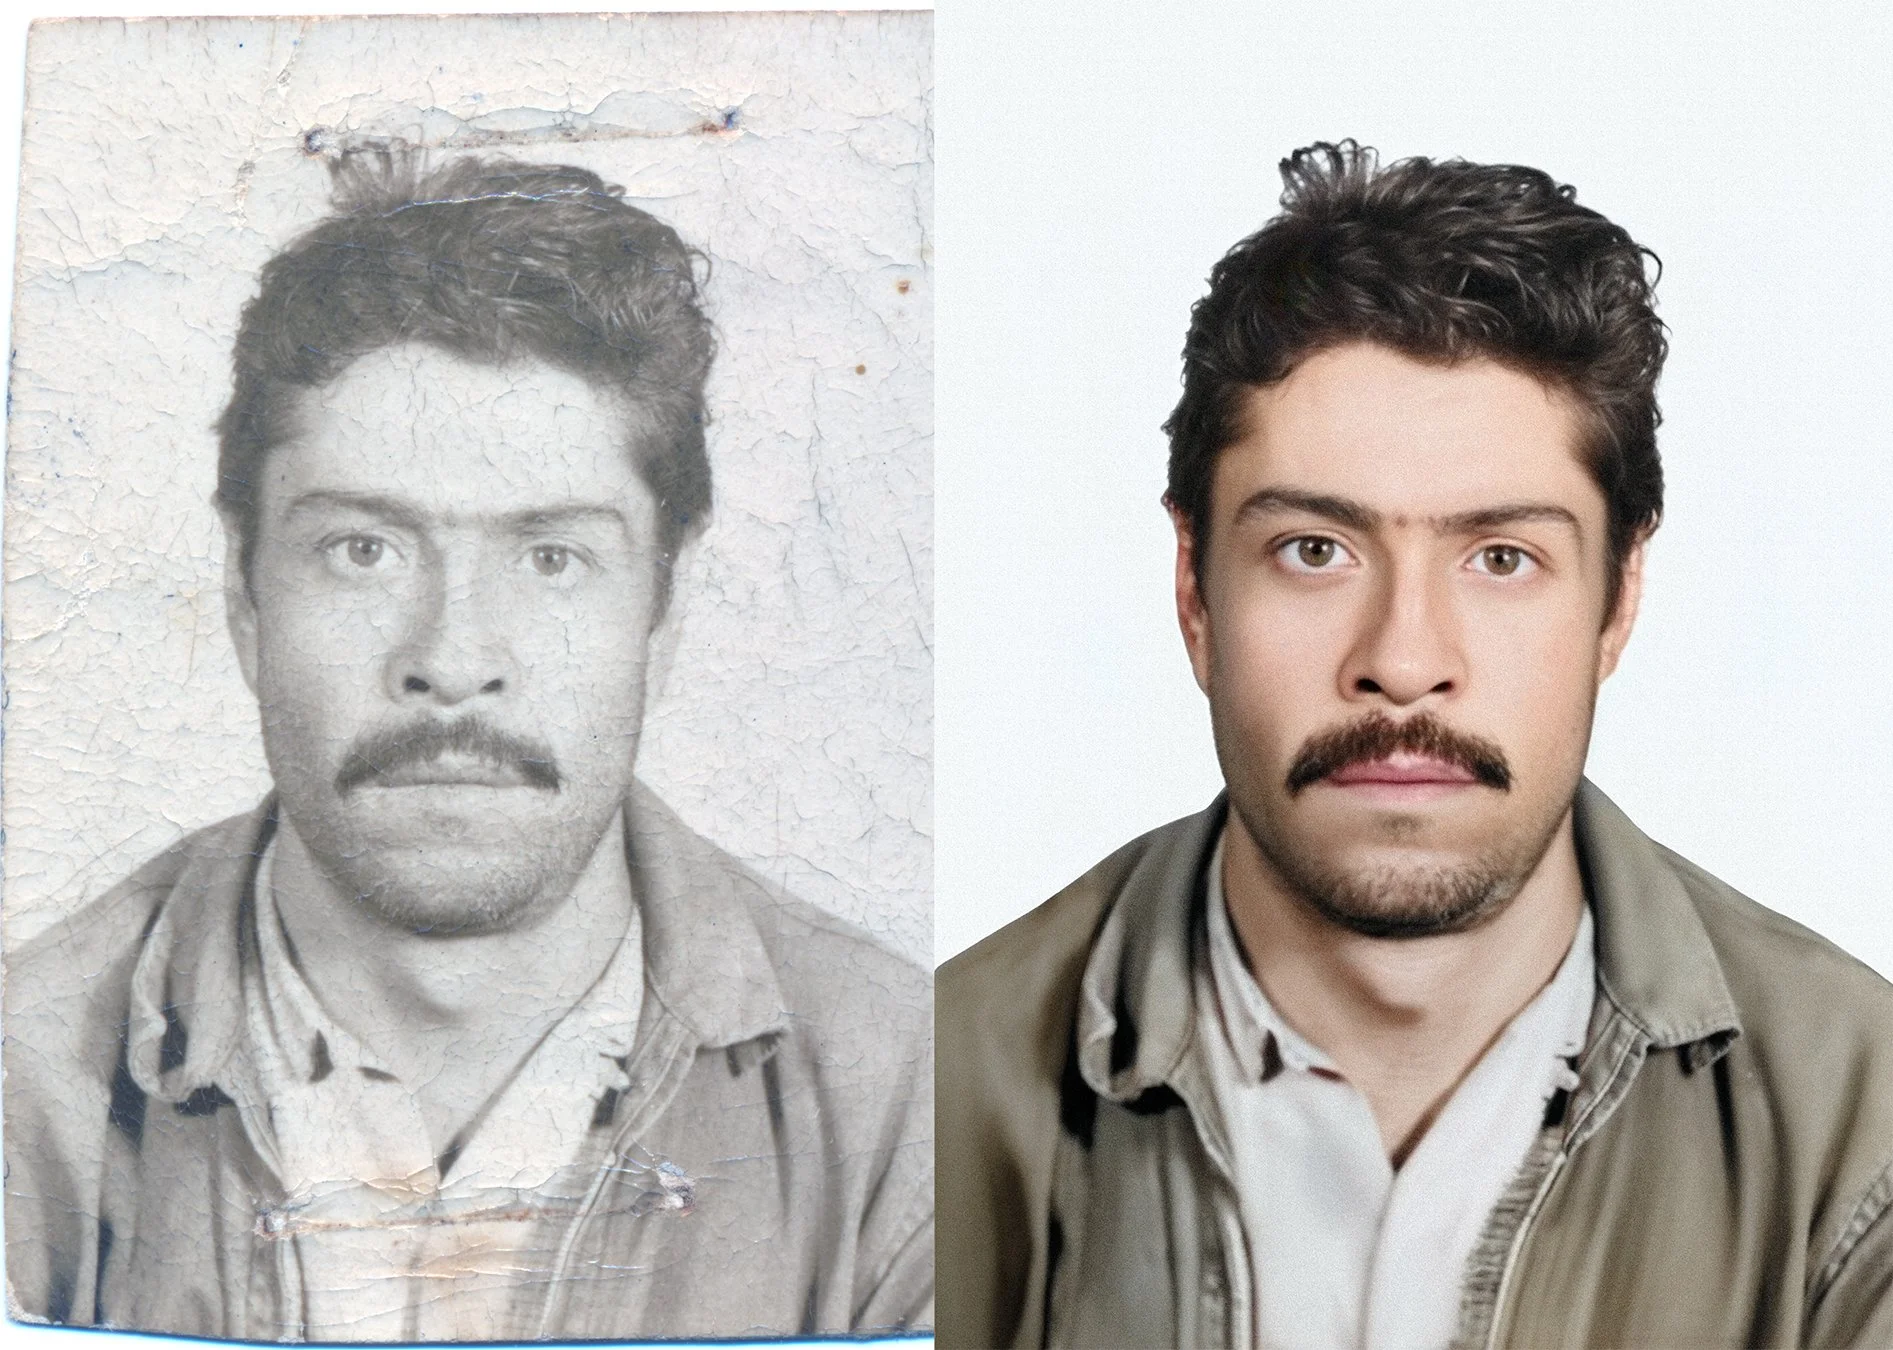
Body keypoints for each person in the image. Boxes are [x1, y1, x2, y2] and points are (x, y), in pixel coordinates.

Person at [937, 141, 1893, 1349]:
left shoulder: (1861, 1142)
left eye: (1501, 558)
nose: (1402, 657)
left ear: (1617, 601)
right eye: (1314, 551)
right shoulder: (923, 1093)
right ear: (1194, 588)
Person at [4, 152, 932, 1342]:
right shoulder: (21, 1084)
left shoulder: (912, 1102)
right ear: (243, 595)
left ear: (665, 605)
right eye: (363, 551)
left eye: (551, 557)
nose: (452, 658)